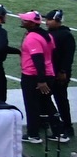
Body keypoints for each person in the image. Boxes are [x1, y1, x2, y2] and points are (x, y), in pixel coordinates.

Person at [17, 11, 58, 143]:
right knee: (47, 103)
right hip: (48, 73)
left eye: (25, 20)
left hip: (33, 76)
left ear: (32, 23)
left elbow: (38, 59)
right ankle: (59, 132)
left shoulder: (32, 38)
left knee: (32, 105)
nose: (22, 21)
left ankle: (33, 134)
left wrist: (41, 80)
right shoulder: (46, 35)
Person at [44, 10, 73, 142]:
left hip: (59, 73)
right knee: (47, 98)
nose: (46, 22)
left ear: (57, 20)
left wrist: (63, 71)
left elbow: (68, 56)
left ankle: (67, 126)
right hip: (51, 72)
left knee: (61, 99)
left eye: (49, 20)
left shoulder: (66, 35)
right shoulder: (52, 33)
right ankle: (47, 121)